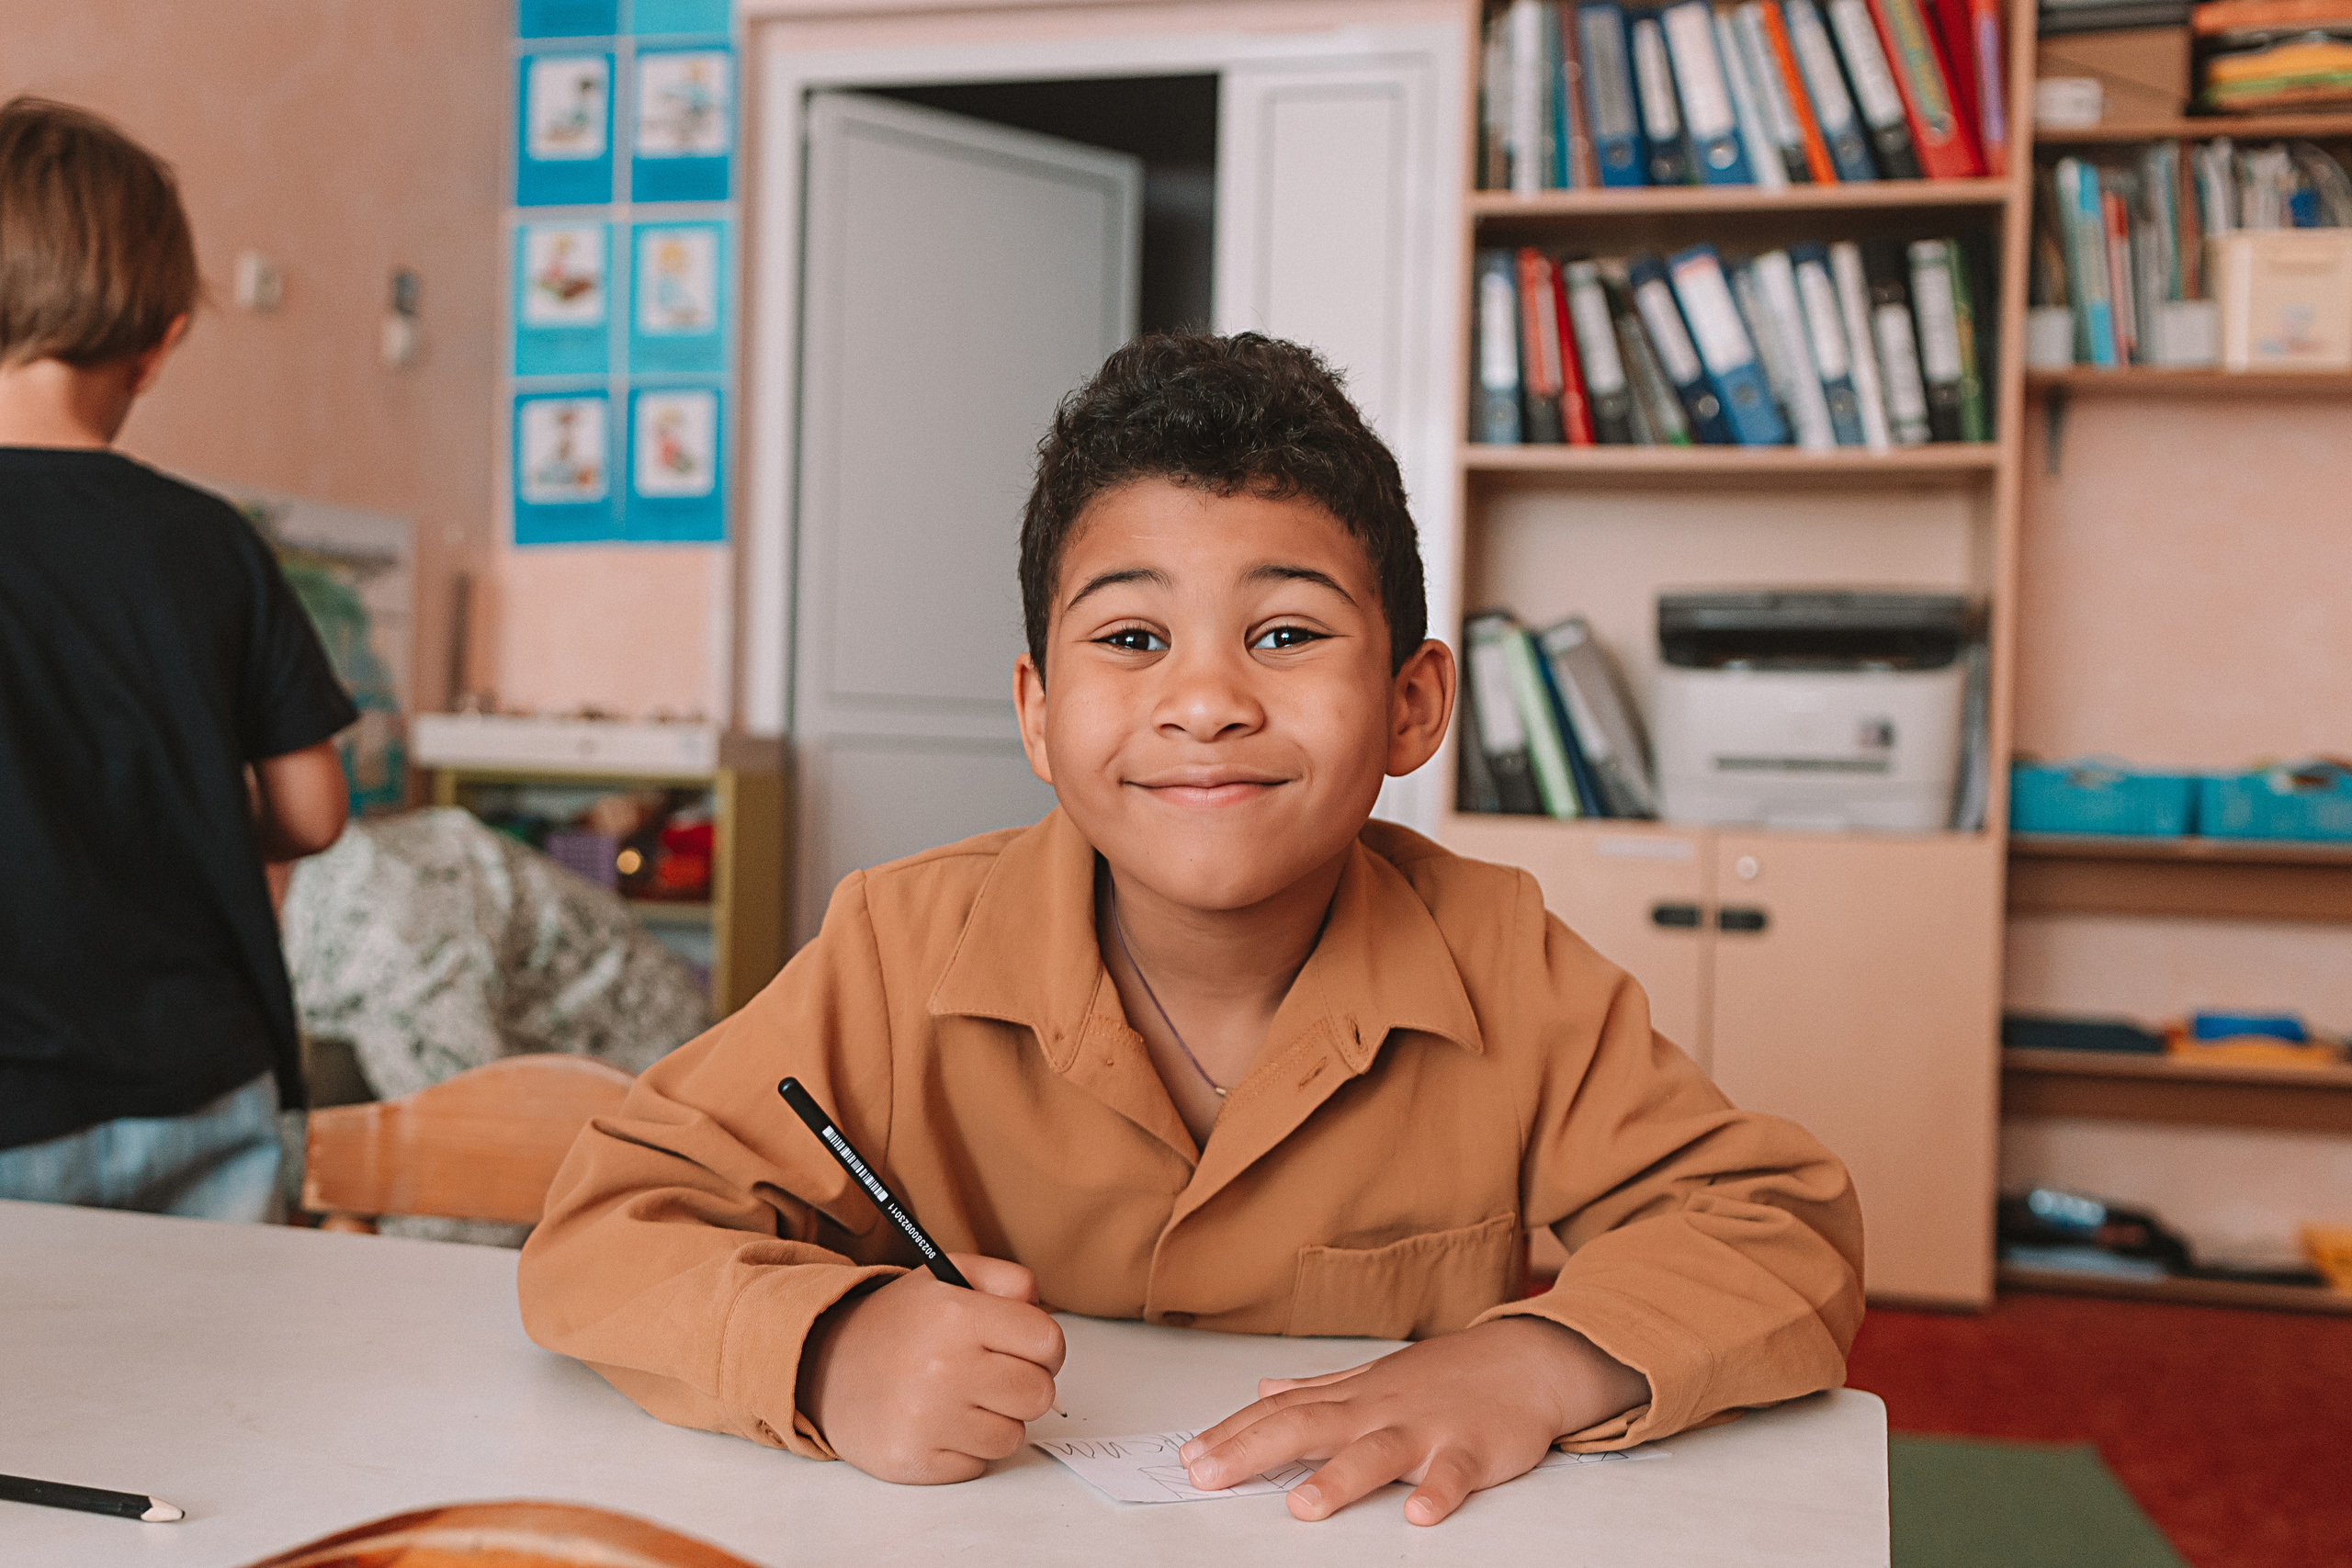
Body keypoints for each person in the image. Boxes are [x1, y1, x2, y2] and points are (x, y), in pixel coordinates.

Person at [516, 333, 1863, 1525]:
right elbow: (605, 1229)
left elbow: (1780, 1228)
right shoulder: (895, 946)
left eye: (1284, 634)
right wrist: (828, 1349)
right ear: (1038, 711)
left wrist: (1531, 1362)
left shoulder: (1502, 957)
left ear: (1411, 703)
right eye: (1131, 638)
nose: (1207, 700)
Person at [0, 97, 354, 1221]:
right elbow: (313, 811)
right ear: (158, 344)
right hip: (207, 1078)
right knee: (218, 1342)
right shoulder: (212, 542)